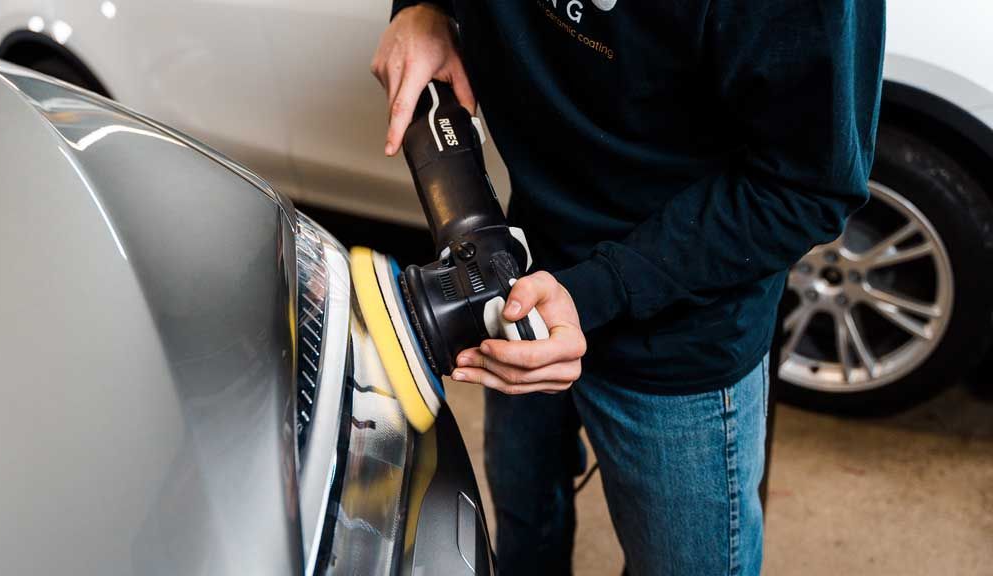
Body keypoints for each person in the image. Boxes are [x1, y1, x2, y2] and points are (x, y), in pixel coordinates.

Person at [372, 1, 884, 574]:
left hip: (678, 345)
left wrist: (596, 290)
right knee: (523, 527)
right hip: (527, 273)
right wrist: (424, 8)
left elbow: (810, 187)